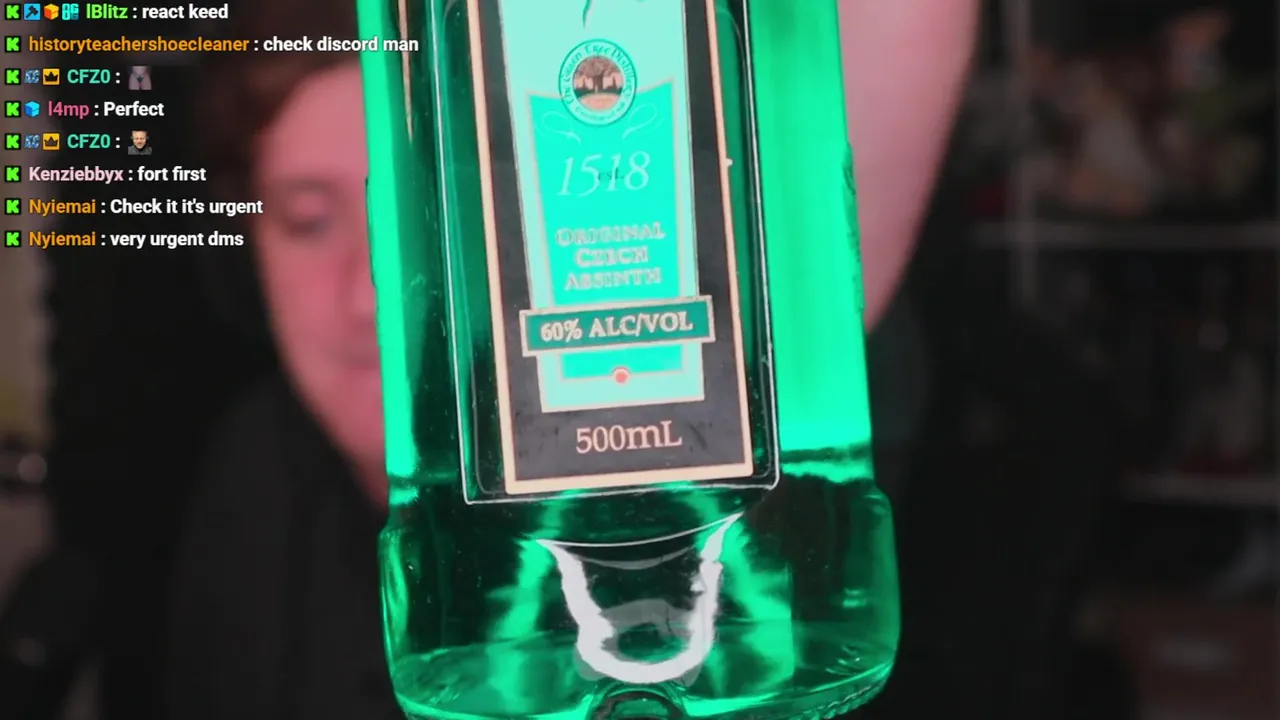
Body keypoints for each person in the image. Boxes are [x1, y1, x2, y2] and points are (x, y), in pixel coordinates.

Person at [165, 1, 1121, 720]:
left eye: (422, 218)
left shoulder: (755, 402)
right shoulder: (249, 481)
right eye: (308, 219)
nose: (370, 293)